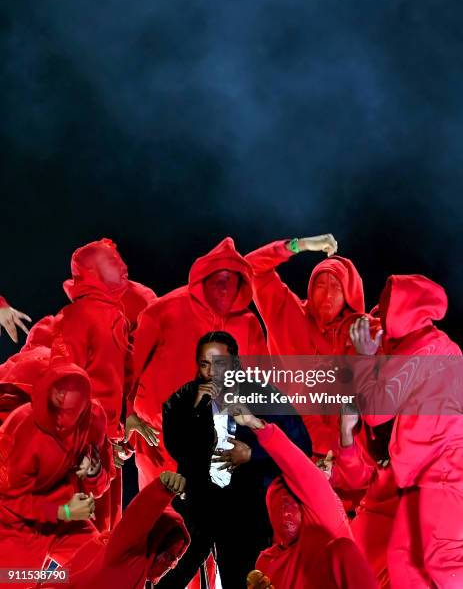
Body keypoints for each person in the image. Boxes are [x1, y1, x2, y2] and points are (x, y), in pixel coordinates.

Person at [160, 331, 312, 589]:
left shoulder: (263, 394)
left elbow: (301, 446)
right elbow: (176, 445)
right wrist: (195, 410)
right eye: (205, 364)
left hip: (249, 507)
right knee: (180, 567)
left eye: (220, 363)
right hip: (202, 502)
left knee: (244, 576)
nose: (212, 372)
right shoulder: (188, 397)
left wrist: (253, 454)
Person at [351, 274, 463, 588]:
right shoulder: (429, 345)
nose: (382, 317)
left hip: (444, 469)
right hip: (421, 474)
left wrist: (364, 356)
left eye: (387, 309)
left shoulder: (426, 348)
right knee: (404, 562)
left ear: (405, 310)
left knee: (445, 562)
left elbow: (374, 412)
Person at [132, 237, 268, 489]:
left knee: (207, 519)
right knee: (157, 516)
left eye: (232, 281)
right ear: (204, 278)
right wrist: (124, 421)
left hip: (216, 443)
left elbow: (260, 383)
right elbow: (131, 368)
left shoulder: (248, 324)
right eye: (219, 280)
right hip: (158, 437)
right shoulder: (164, 310)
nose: (225, 289)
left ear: (242, 283)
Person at [51, 238, 158, 531]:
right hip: (82, 445)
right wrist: (86, 445)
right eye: (113, 263)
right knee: (83, 537)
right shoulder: (76, 317)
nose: (123, 267)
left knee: (108, 533)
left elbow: (121, 380)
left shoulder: (116, 317)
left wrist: (121, 428)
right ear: (93, 273)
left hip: (104, 442)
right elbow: (65, 384)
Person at [245, 234, 369, 459]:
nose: (328, 294)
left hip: (349, 459)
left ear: (350, 293)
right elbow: (250, 268)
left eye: (337, 286)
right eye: (321, 284)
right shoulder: (290, 315)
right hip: (292, 449)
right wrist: (298, 245)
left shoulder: (361, 333)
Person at [231, 408, 378, 589]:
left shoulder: (329, 529)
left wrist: (257, 425)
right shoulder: (268, 563)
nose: (285, 514)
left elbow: (298, 467)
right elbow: (297, 465)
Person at [0, 362, 114, 587]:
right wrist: (63, 511)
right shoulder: (21, 429)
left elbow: (100, 485)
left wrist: (93, 470)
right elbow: (10, 500)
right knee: (12, 578)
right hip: (19, 526)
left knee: (102, 562)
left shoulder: (94, 421)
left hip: (64, 524)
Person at [43, 471, 190, 589]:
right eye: (170, 557)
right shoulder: (125, 554)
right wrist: (161, 490)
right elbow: (136, 521)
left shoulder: (134, 568)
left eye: (174, 560)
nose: (171, 565)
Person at [329, 408, 398, 587]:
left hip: (423, 512)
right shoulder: (364, 415)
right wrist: (346, 430)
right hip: (376, 519)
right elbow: (356, 480)